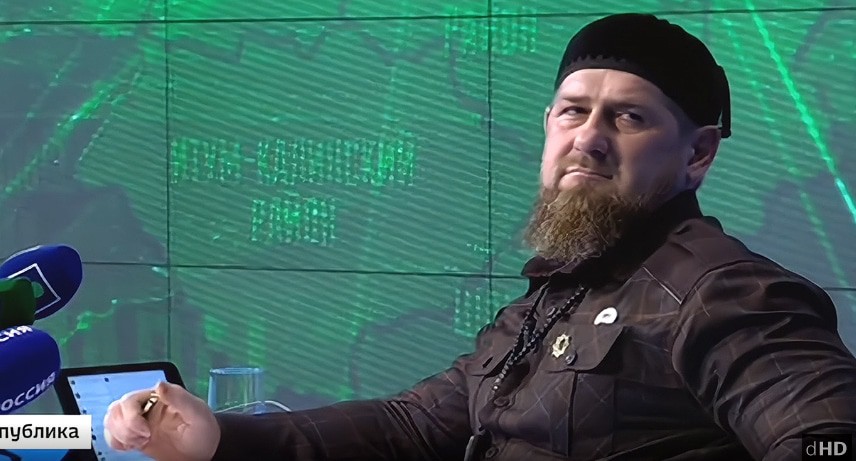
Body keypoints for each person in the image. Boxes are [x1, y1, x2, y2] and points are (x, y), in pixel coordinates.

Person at [103, 13, 856, 461]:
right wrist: (217, 438)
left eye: (629, 117)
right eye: (573, 111)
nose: (588, 138)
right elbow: (412, 425)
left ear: (697, 155)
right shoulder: (555, 293)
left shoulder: (723, 292)